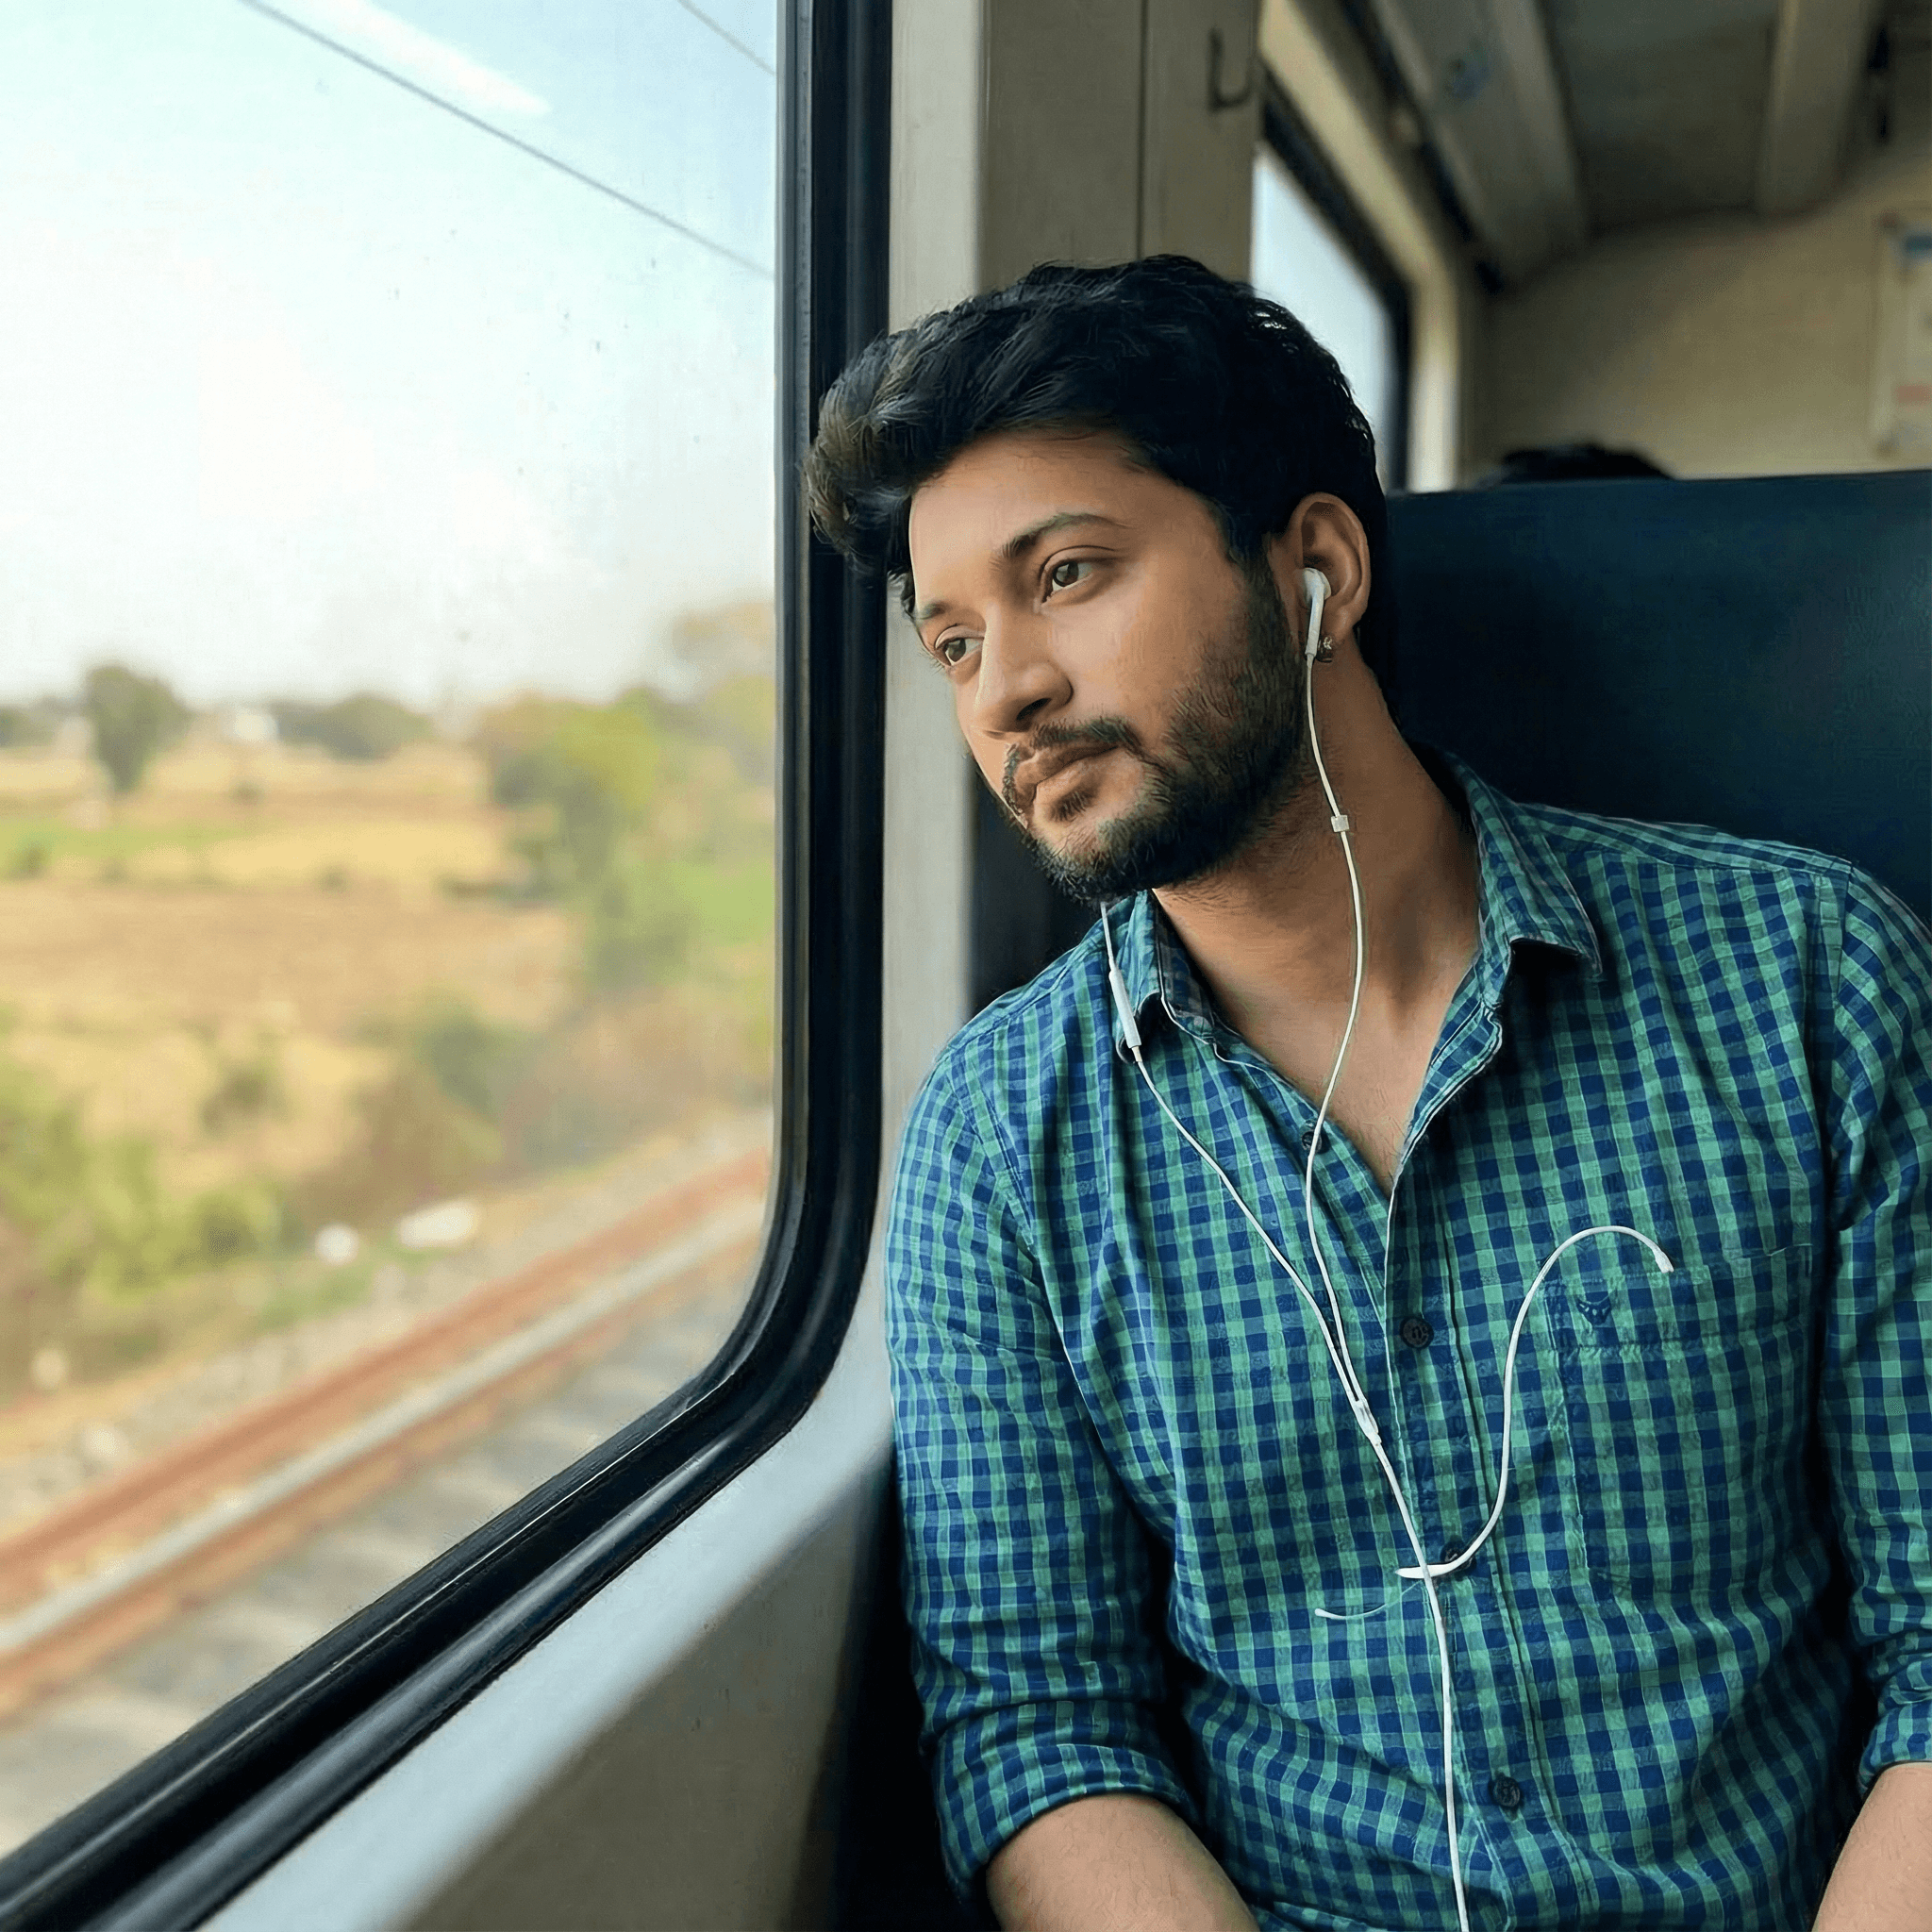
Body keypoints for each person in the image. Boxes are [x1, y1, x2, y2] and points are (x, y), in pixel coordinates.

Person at [803, 256, 1932, 1931]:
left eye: (1070, 575)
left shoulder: (1809, 976)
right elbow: (1043, 1727)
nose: (1004, 692)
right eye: (953, 635)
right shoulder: (996, 1133)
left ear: (1317, 567)